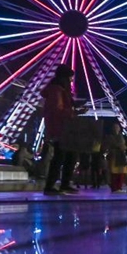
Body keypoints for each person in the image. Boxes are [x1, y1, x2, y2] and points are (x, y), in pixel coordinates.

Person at [42, 64, 83, 195]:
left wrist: (75, 109)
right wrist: (73, 113)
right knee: (60, 156)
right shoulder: (56, 90)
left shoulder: (60, 91)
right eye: (70, 78)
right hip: (60, 127)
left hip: (63, 127)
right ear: (64, 78)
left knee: (70, 155)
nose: (72, 81)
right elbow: (57, 110)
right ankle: (50, 186)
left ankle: (64, 184)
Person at [103, 123, 127, 193]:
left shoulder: (111, 137)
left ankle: (118, 187)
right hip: (116, 156)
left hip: (118, 156)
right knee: (115, 173)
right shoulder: (117, 137)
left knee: (119, 173)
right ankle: (116, 187)